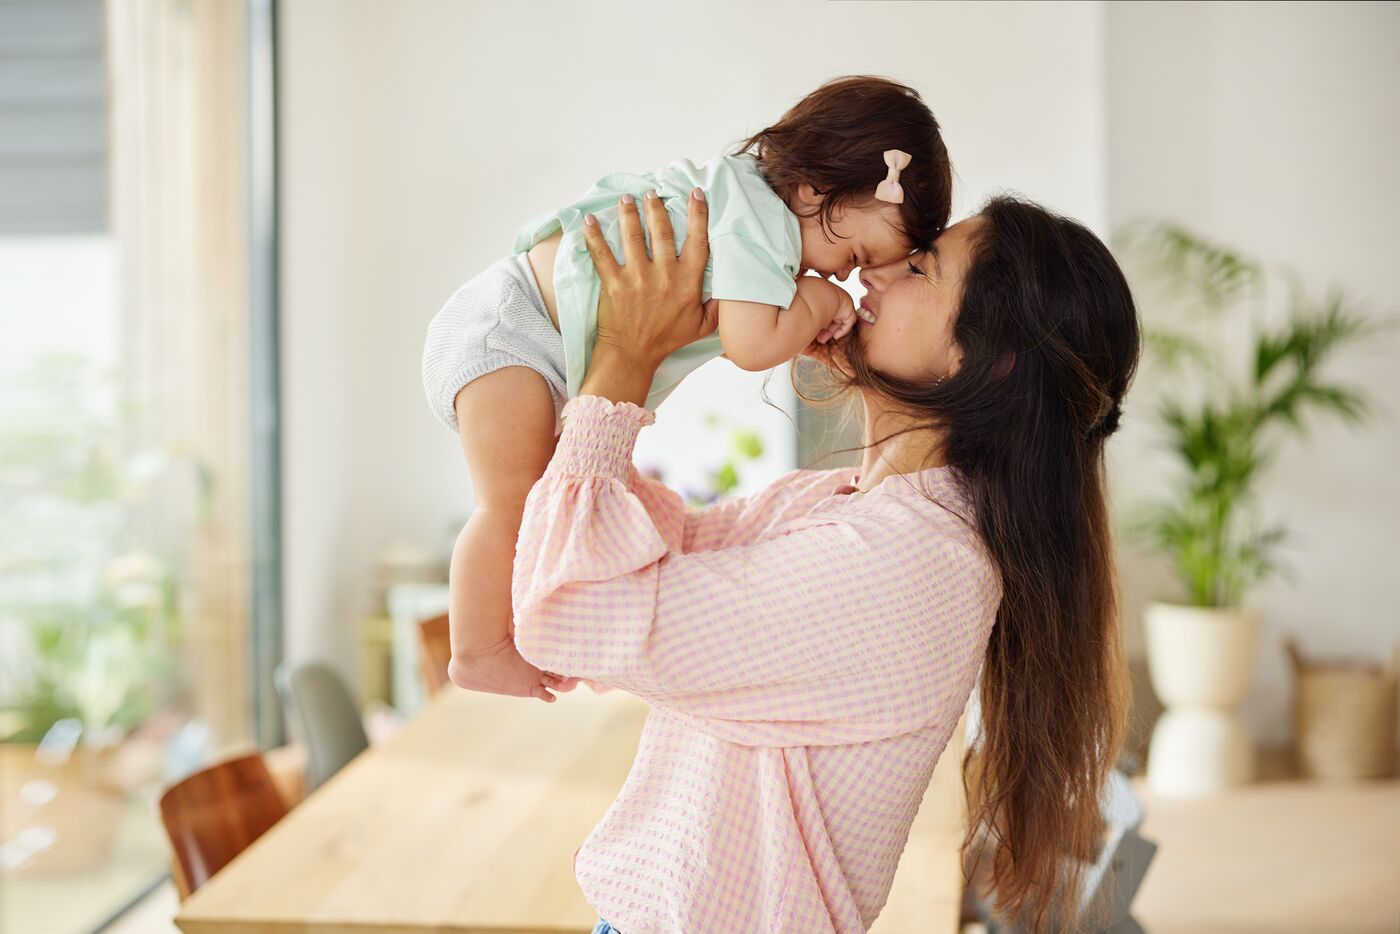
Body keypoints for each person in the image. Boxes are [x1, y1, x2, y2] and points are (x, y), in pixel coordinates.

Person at [507, 187, 1142, 932]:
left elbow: (570, 613)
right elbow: (629, 560)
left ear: (989, 363)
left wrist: (624, 357)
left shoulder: (912, 562)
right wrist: (696, 333)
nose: (868, 273)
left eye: (919, 267)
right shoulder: (837, 502)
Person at [420, 76, 952, 702]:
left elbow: (737, 328)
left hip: (523, 337)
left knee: (537, 499)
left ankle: (509, 632)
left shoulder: (749, 205)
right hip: (513, 333)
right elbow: (753, 347)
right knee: (510, 501)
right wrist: (816, 301)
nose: (846, 275)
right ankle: (478, 650)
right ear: (815, 189)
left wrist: (796, 313)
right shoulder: (762, 222)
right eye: (856, 253)